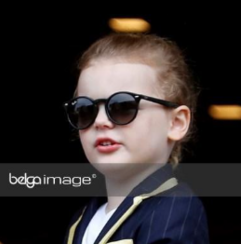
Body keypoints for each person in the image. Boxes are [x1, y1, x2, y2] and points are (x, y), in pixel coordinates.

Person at [63, 33, 209, 244]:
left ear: (176, 123)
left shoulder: (176, 206)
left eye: (123, 106)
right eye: (85, 109)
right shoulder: (82, 218)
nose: (100, 121)